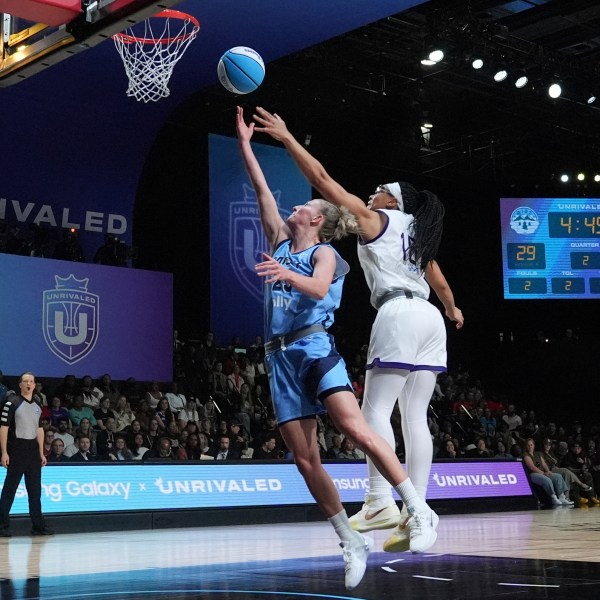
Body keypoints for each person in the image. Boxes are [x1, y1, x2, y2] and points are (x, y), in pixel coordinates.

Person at [237, 107, 439, 590]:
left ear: (319, 219)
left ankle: (416, 508)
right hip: (277, 356)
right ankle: (350, 538)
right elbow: (261, 189)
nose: (297, 205)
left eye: (306, 203)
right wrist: (245, 143)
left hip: (314, 348)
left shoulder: (323, 252)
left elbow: (317, 285)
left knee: (358, 429)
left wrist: (288, 275)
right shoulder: (281, 241)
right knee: (304, 459)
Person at [0, 372, 53, 537]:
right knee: (10, 490)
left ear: (35, 384)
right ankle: (2, 526)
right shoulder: (11, 403)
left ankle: (38, 526)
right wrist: (4, 452)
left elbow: (39, 429)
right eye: (25, 381)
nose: (28, 384)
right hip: (17, 449)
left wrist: (41, 452)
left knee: (35, 491)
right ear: (20, 384)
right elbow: (3, 428)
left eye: (31, 381)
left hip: (32, 452)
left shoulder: (38, 404)